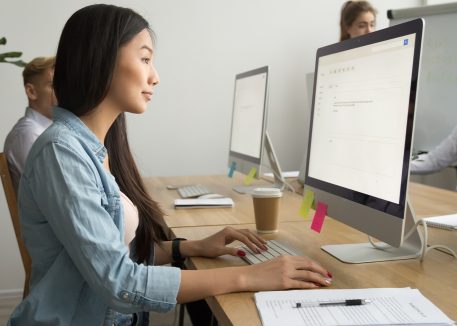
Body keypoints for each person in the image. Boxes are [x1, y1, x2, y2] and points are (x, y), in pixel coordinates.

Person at [8, 4, 332, 325]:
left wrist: (189, 247)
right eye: (145, 58)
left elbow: (109, 255)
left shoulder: (95, 148)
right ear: (102, 58)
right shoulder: (61, 153)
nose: (156, 77)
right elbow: (120, 283)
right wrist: (249, 276)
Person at [3, 56, 57, 193]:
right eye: (53, 86)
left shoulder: (47, 132)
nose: (61, 92)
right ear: (31, 91)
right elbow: (54, 190)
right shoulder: (28, 135)